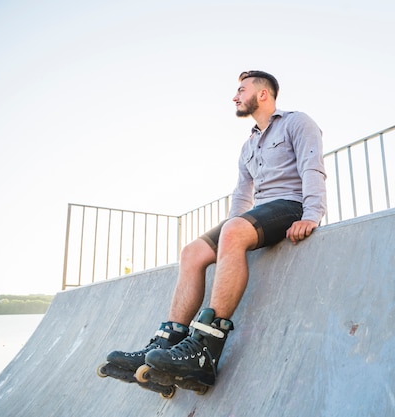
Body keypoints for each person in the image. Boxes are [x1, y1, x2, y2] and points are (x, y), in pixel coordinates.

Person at [104, 70, 327, 387]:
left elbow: (312, 166)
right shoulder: (248, 145)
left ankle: (204, 350)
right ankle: (167, 344)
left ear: (263, 94)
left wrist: (313, 214)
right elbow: (241, 196)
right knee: (192, 252)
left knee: (234, 229)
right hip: (260, 213)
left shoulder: (297, 122)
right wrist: (230, 235)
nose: (235, 96)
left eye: (241, 90)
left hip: (291, 207)